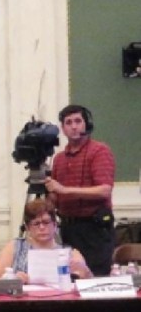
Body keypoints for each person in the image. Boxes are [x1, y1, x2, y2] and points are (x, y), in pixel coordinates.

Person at [45, 104, 116, 276]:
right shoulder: (59, 159)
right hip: (68, 229)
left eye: (78, 121)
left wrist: (64, 190)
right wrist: (49, 195)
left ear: (86, 124)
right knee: (69, 279)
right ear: (63, 128)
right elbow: (56, 197)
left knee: (95, 279)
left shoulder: (99, 151)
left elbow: (104, 190)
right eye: (68, 122)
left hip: (94, 229)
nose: (74, 126)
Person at [0, 199, 92, 283]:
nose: (42, 227)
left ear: (55, 225)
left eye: (46, 222)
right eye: (36, 223)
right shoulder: (15, 247)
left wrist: (85, 271)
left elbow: (91, 284)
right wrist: (13, 280)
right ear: (28, 227)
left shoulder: (70, 253)